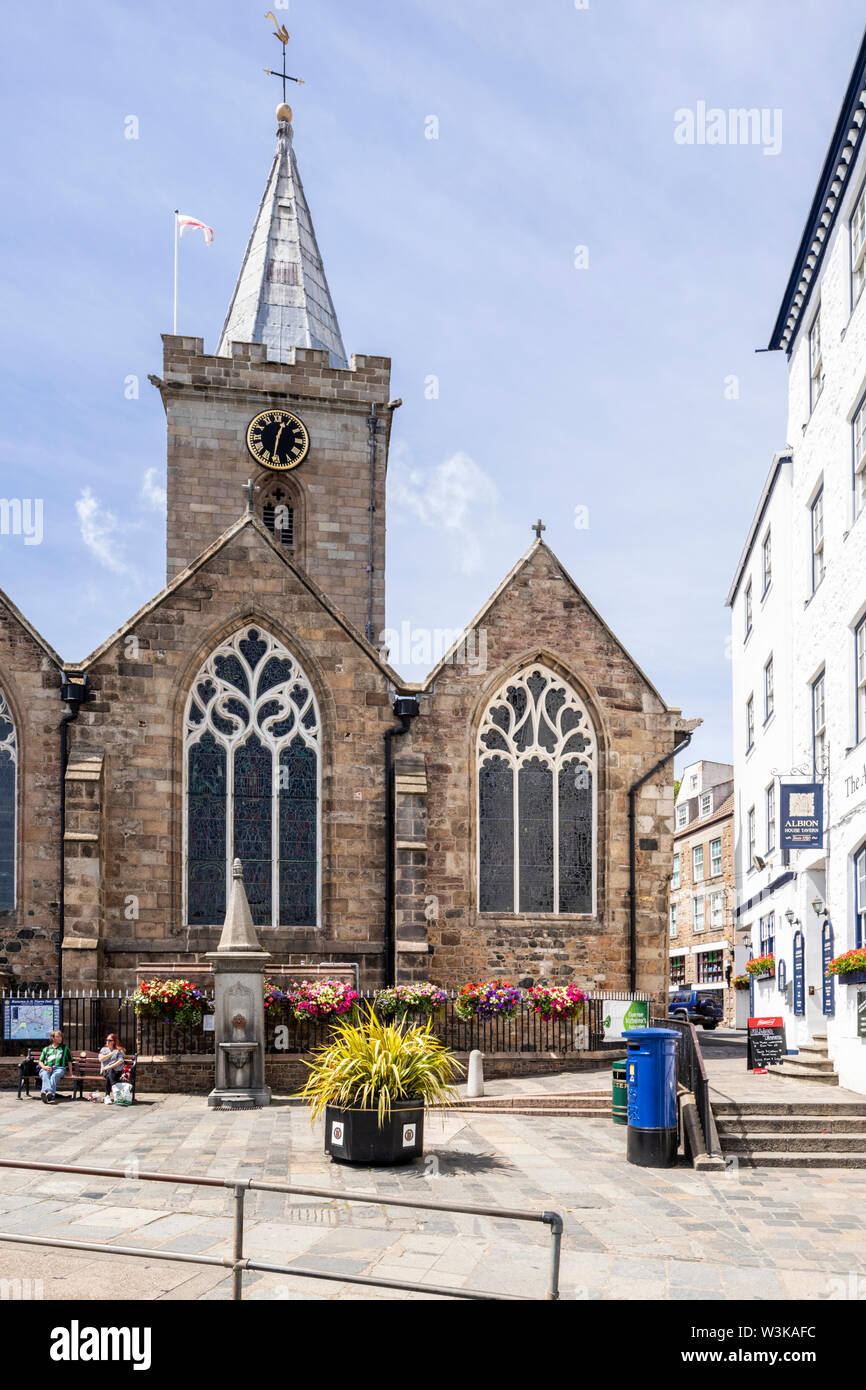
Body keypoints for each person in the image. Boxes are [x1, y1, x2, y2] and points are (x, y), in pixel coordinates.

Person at [38, 1031, 71, 1103]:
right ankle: (50, 1094)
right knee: (45, 1074)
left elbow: (69, 1061)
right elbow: (40, 1061)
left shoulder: (65, 1048)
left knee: (54, 1076)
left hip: (59, 1068)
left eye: (61, 1036)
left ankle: (45, 1092)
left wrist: (71, 1073)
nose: (60, 1038)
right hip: (46, 1068)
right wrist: (44, 1067)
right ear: (53, 1038)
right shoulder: (46, 1049)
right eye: (58, 1037)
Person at [98, 1033, 126, 1098]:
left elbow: (120, 1061)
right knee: (109, 1072)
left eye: (110, 1040)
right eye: (107, 1040)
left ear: (114, 1041)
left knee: (110, 1073)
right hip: (105, 1071)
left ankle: (107, 1096)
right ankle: (114, 1087)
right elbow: (100, 1059)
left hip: (117, 1071)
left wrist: (109, 1066)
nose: (108, 1041)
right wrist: (110, 1054)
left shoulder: (119, 1050)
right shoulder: (103, 1049)